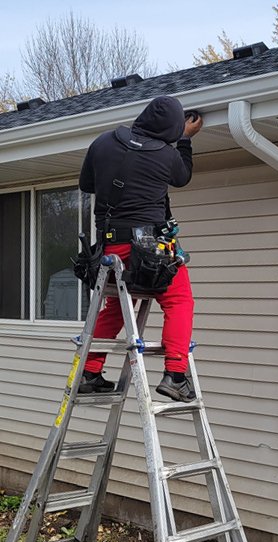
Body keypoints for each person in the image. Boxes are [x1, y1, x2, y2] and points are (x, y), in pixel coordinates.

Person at [78, 95, 203, 401]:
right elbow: (182, 176)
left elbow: (87, 185)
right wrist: (184, 140)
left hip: (109, 247)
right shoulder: (166, 154)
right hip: (149, 246)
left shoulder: (103, 142)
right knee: (179, 301)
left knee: (118, 307)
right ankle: (175, 375)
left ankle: (90, 373)